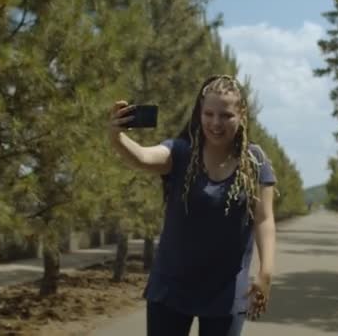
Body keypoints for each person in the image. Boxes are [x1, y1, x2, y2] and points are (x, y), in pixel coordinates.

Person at [108, 74, 277, 336]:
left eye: (226, 115)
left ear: (242, 114)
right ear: (199, 112)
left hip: (227, 291)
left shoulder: (255, 161)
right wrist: (117, 138)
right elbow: (142, 157)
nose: (216, 123)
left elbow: (264, 219)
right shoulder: (180, 152)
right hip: (172, 287)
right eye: (208, 113)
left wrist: (265, 273)